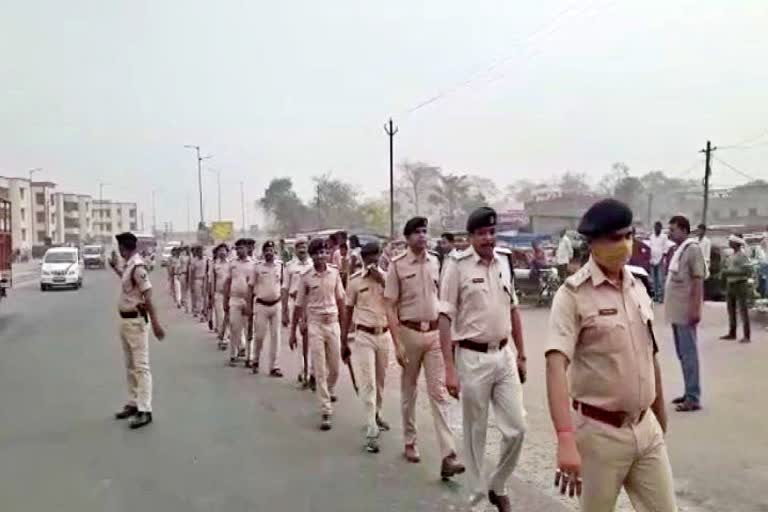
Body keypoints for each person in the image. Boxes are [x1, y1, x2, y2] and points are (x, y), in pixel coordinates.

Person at [545, 198, 676, 512]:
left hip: (646, 429)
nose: (625, 244)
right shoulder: (572, 295)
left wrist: (659, 415)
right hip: (599, 435)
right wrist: (565, 440)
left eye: (629, 235)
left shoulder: (637, 285)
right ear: (594, 243)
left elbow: (650, 352)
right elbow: (554, 366)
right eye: (616, 238)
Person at [440, 207, 526, 511]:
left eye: (492, 232)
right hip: (472, 358)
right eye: (482, 233)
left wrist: (522, 354)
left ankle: (497, 484)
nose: (488, 238)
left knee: (518, 427)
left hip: (504, 355)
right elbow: (445, 317)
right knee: (476, 433)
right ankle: (477, 500)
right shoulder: (456, 265)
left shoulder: (504, 260)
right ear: (471, 236)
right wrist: (449, 369)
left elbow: (513, 308)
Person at [383, 216, 464, 478]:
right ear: (407, 238)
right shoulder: (397, 266)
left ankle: (448, 454)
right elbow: (389, 305)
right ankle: (410, 441)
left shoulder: (435, 261)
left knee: (438, 392)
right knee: (409, 391)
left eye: (424, 231)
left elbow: (441, 298)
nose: (422, 235)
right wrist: (397, 343)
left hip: (433, 336)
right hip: (409, 333)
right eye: (417, 232)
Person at [110, 232, 166, 430]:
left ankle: (145, 409)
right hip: (125, 322)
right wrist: (116, 268)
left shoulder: (138, 267)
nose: (119, 251)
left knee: (141, 367)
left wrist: (157, 324)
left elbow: (147, 296)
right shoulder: (129, 266)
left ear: (125, 248)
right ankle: (134, 402)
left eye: (120, 248)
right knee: (130, 366)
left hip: (136, 322)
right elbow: (128, 286)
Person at [341, 242, 392, 454]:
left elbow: (396, 301)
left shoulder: (388, 278)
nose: (372, 260)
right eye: (368, 256)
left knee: (380, 381)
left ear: (380, 256)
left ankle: (377, 414)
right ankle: (371, 430)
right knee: (368, 383)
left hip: (384, 334)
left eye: (375, 255)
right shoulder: (354, 281)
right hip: (363, 336)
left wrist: (382, 280)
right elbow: (347, 310)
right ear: (362, 258)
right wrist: (343, 340)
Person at [290, 238, 346, 430]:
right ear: (312, 256)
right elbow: (298, 305)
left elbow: (341, 300)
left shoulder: (335, 273)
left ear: (328, 253)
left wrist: (346, 328)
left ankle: (328, 391)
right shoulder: (305, 277)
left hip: (333, 324)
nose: (320, 256)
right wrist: (293, 330)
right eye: (316, 253)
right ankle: (326, 410)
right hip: (315, 325)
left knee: (336, 368)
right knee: (320, 369)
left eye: (323, 252)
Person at [665, 215, 705, 412]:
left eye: (672, 229)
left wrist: (695, 308)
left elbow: (698, 281)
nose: (669, 233)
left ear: (683, 229)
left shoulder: (693, 250)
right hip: (677, 311)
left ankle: (693, 397)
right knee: (683, 354)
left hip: (686, 311)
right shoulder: (678, 250)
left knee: (689, 354)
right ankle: (688, 390)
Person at [282, 237, 314, 388]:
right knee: (302, 340)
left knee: (314, 339)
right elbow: (285, 289)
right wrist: (284, 311)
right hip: (295, 304)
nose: (302, 249)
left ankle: (313, 372)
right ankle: (304, 370)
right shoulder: (289, 266)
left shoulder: (313, 264)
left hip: (312, 305)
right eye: (299, 247)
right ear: (295, 249)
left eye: (305, 246)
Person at [250, 240, 284, 376]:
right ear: (263, 253)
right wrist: (249, 305)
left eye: (271, 250)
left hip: (276, 304)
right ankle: (256, 359)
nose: (269, 253)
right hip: (261, 305)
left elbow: (282, 285)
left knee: (276, 337)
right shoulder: (257, 267)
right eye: (266, 251)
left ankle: (274, 366)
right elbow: (251, 286)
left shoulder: (280, 266)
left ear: (274, 252)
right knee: (259, 336)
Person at [223, 239, 254, 366]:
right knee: (234, 327)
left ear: (247, 249)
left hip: (248, 299)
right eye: (238, 248)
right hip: (234, 298)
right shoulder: (232, 264)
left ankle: (249, 356)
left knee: (249, 328)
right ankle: (233, 354)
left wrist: (252, 302)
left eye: (242, 248)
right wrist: (225, 300)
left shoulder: (253, 264)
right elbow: (227, 282)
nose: (239, 250)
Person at [720, 235, 752, 343]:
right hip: (731, 283)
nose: (729, 243)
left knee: (743, 310)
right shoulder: (731, 255)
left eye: (731, 241)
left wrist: (729, 272)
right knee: (731, 310)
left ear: (736, 243)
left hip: (740, 283)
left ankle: (747, 335)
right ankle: (732, 332)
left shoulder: (742, 256)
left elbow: (747, 272)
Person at [647, 221, 672, 303]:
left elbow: (665, 249)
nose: (656, 228)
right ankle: (655, 296)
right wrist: (650, 259)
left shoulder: (664, 237)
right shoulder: (652, 236)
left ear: (660, 228)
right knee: (654, 280)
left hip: (660, 260)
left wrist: (662, 259)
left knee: (660, 280)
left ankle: (661, 297)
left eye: (658, 227)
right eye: (655, 227)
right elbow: (650, 248)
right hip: (652, 260)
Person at [211, 243, 230, 349]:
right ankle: (224, 338)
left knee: (229, 317)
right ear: (218, 252)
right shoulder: (215, 265)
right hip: (218, 294)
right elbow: (212, 281)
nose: (222, 252)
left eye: (224, 250)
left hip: (229, 295)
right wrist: (211, 294)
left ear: (227, 252)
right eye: (220, 251)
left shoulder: (231, 264)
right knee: (220, 317)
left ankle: (225, 336)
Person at [190, 246, 207, 320]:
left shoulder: (206, 259)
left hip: (205, 280)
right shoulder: (194, 261)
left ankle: (206, 314)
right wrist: (191, 284)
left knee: (205, 298)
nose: (201, 253)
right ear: (197, 252)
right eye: (199, 251)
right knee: (199, 298)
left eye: (202, 251)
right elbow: (192, 273)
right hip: (197, 280)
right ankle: (201, 315)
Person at [178, 246, 191, 312]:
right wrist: (178, 274)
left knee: (187, 292)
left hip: (189, 275)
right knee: (184, 291)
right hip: (183, 274)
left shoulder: (190, 257)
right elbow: (179, 266)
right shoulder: (182, 257)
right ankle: (186, 307)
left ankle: (187, 305)